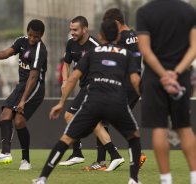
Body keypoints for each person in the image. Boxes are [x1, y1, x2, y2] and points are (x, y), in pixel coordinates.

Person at [33, 19, 142, 184]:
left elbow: (73, 78)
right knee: (134, 137)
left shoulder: (93, 52)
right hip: (116, 102)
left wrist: (61, 102)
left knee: (66, 139)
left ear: (100, 35)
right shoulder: (125, 53)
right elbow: (135, 80)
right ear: (118, 36)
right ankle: (133, 180)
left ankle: (42, 178)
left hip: (94, 101)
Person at [136, 0, 196, 184]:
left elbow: (145, 50)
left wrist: (163, 75)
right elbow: (194, 48)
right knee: (184, 127)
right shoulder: (189, 11)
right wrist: (175, 73)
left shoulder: (145, 12)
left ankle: (166, 180)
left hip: (155, 79)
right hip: (181, 77)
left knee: (159, 127)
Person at [0, 19, 47, 170]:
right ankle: (5, 153)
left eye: (36, 36)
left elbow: (33, 77)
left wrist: (22, 101)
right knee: (4, 116)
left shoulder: (40, 50)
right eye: (30, 35)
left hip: (34, 87)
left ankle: (26, 161)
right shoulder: (21, 41)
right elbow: (6, 53)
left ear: (41, 35)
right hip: (22, 85)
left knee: (19, 121)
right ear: (27, 32)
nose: (32, 38)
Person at [83, 8, 147, 171]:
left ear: (117, 23)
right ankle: (131, 154)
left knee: (101, 118)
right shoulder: (134, 35)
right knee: (118, 120)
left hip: (123, 84)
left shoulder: (122, 39)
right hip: (134, 84)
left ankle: (102, 161)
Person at [59, 16, 124, 171]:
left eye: (75, 30)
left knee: (69, 115)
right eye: (71, 29)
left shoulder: (95, 45)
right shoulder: (71, 44)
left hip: (95, 87)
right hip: (87, 88)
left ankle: (77, 152)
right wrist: (65, 80)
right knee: (95, 123)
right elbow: (66, 63)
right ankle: (114, 155)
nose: (72, 32)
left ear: (85, 29)